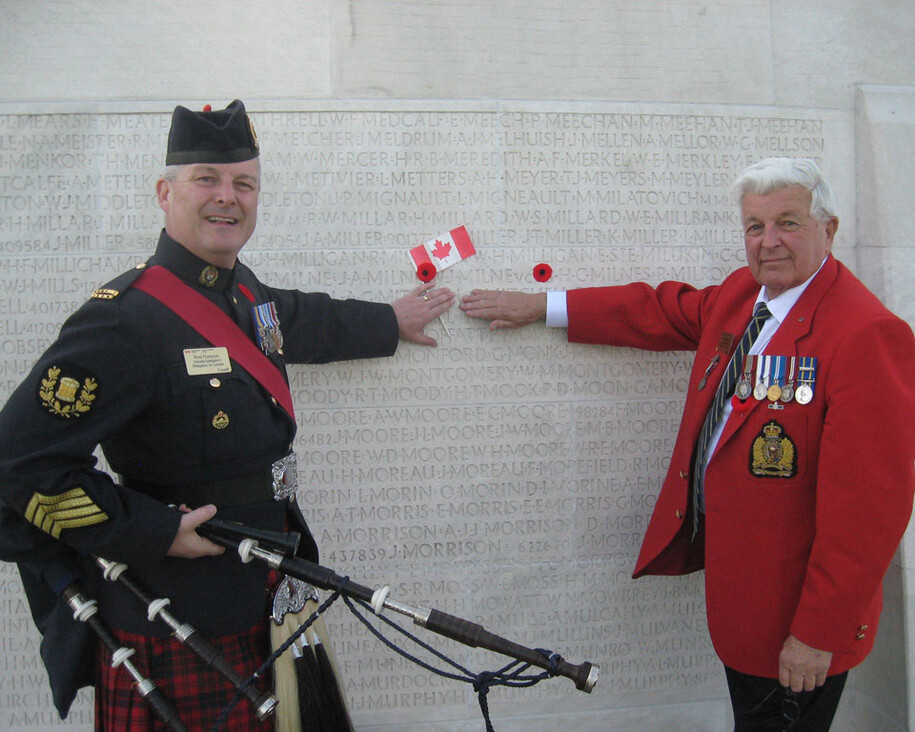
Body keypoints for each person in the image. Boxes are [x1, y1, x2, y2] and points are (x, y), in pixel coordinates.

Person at [0, 99, 454, 730]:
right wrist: (154, 530)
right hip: (180, 612)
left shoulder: (242, 291)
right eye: (206, 179)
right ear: (165, 193)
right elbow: (18, 464)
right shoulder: (122, 319)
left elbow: (297, 320)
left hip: (265, 586)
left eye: (244, 183)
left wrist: (388, 321)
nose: (227, 197)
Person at [460, 157, 915, 730]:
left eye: (788, 223)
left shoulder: (865, 333)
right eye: (755, 227)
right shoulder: (744, 295)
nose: (768, 242)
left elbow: (869, 514)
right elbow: (659, 312)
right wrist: (543, 306)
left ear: (829, 229)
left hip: (796, 625)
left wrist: (818, 634)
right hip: (742, 604)